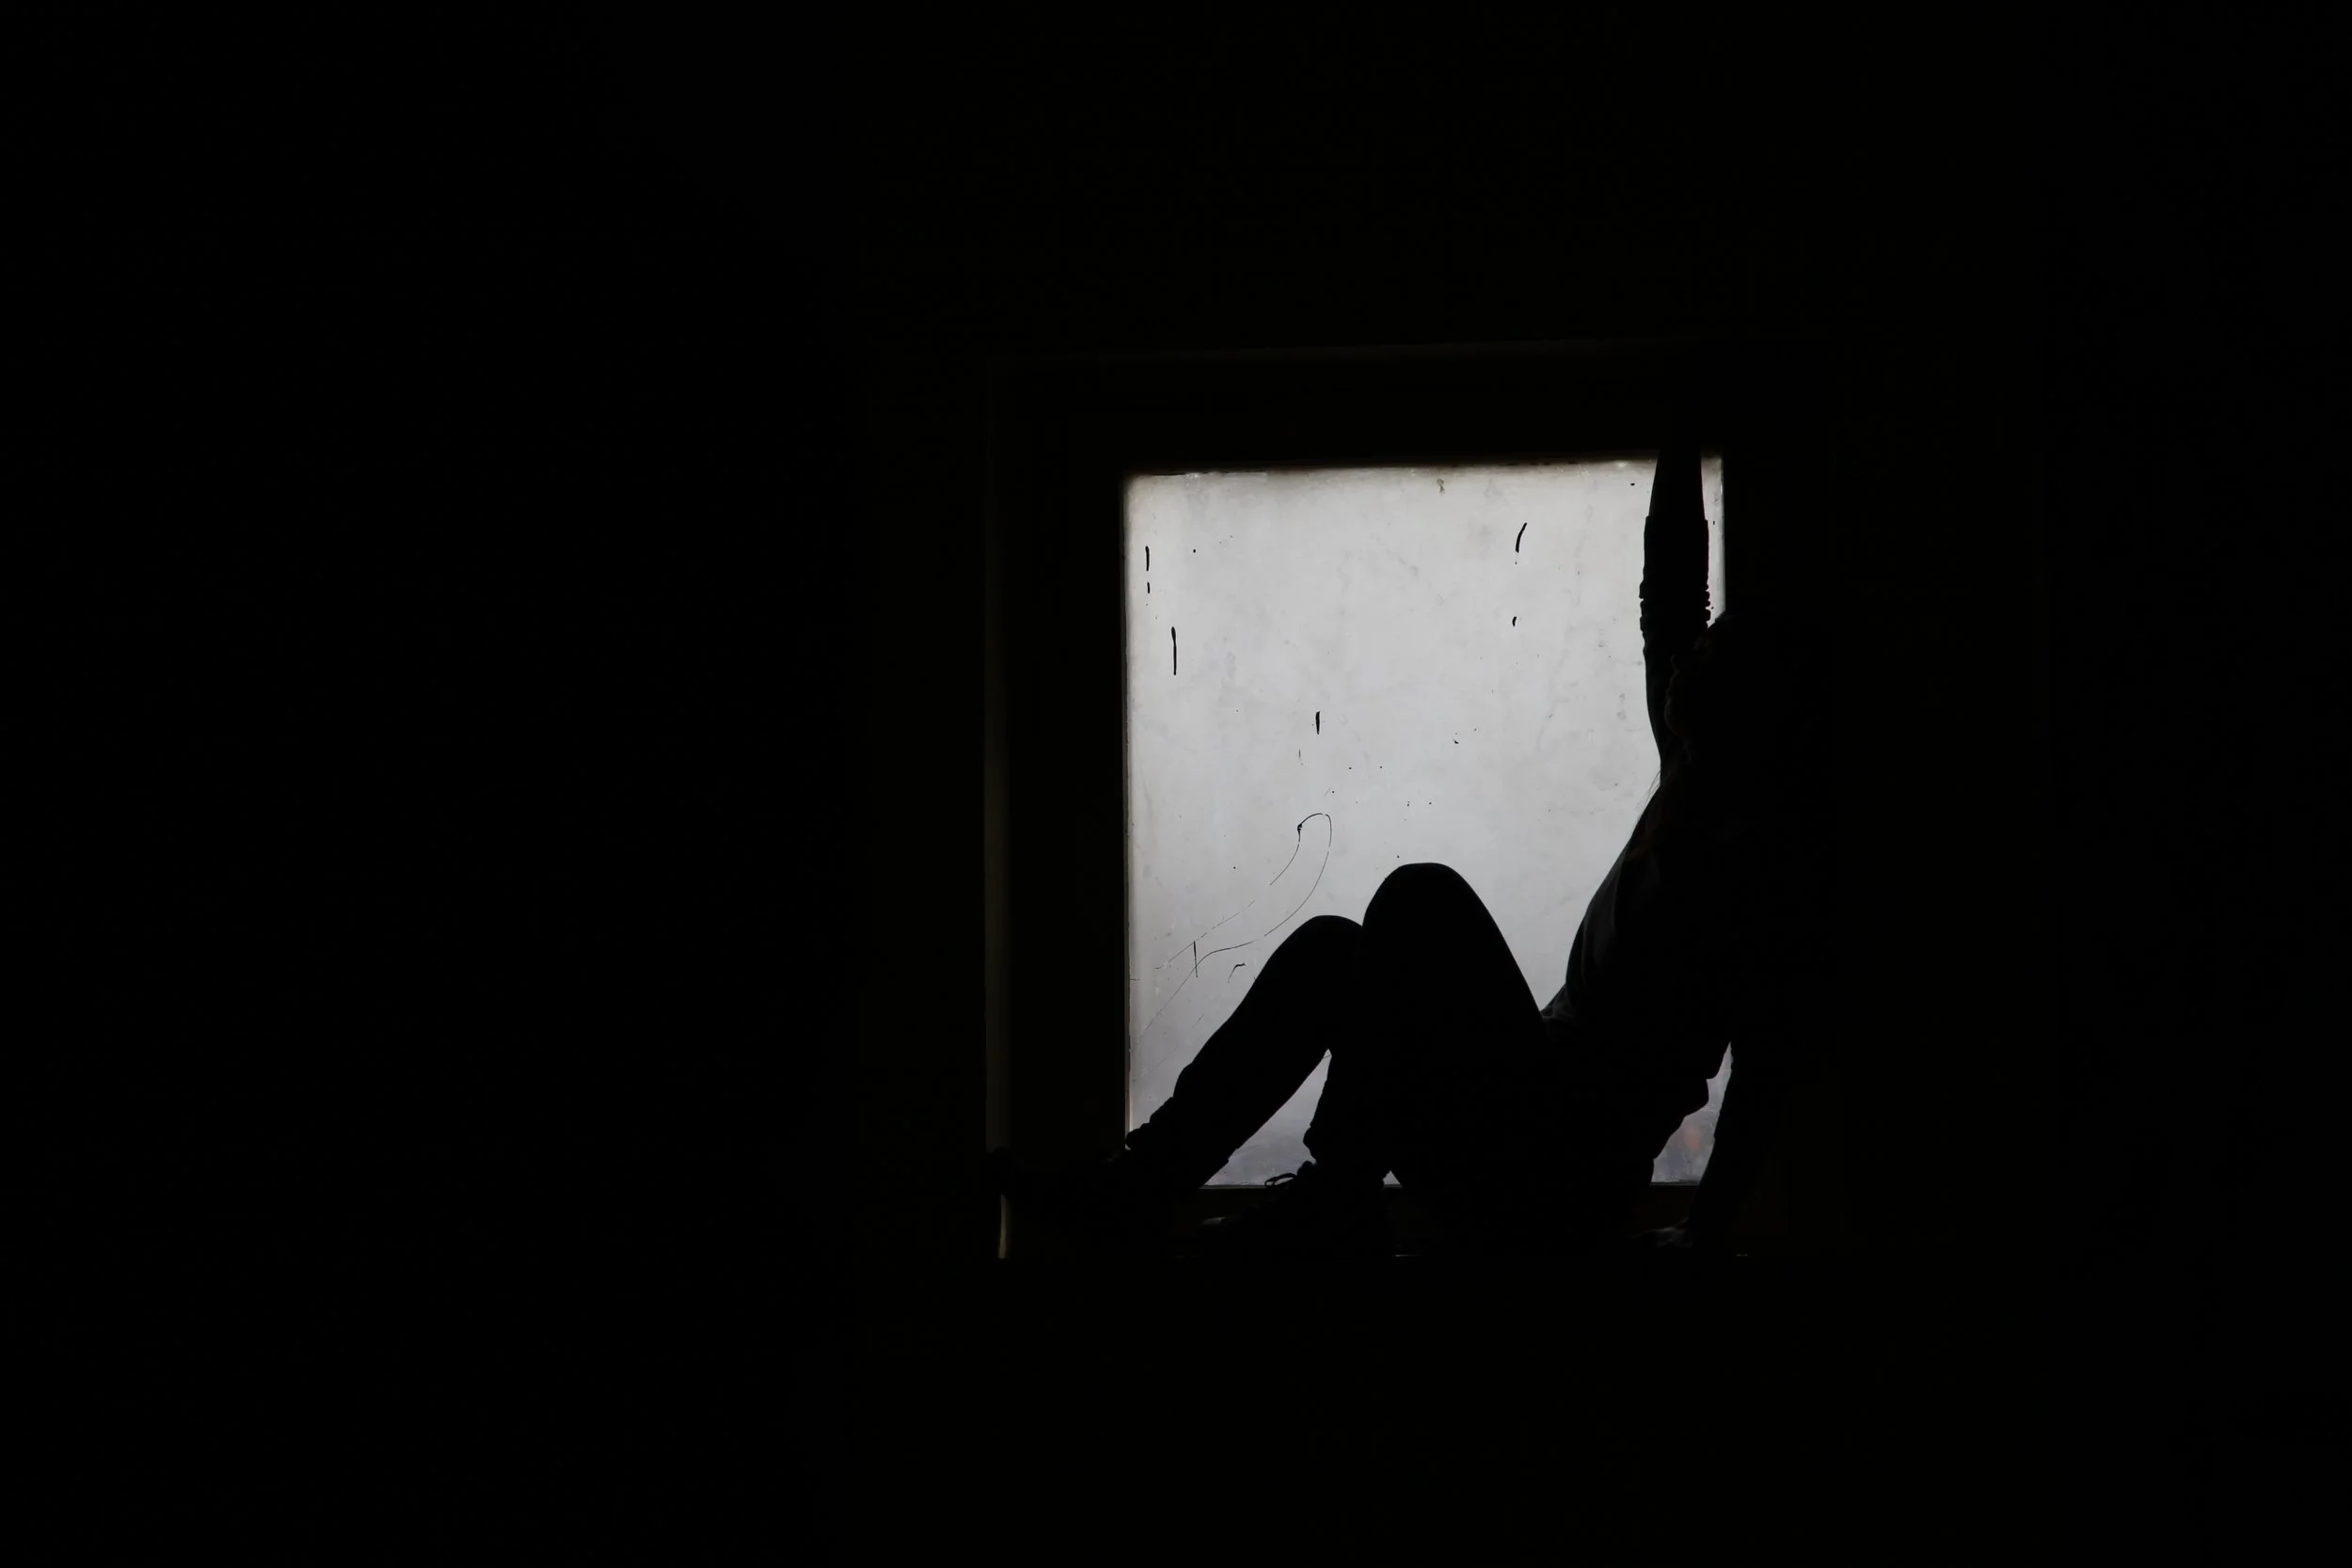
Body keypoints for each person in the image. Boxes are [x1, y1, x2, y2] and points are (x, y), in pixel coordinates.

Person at [991, 406, 1833, 1260]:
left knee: (1419, 897)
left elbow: (1768, 1075)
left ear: (1749, 714)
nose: (1685, 658)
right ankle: (1142, 1189)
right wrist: (1681, 419)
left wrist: (1703, 1232)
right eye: (1696, 649)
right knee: (1331, 951)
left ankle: (1334, 1195)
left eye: (1713, 655)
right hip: (1512, 1124)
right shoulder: (1690, 772)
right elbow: (1672, 593)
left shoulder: (1754, 874)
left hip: (1554, 1177)